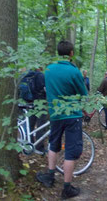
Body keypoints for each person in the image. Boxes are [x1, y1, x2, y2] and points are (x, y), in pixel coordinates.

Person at [36, 41, 88, 199]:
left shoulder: (49, 69)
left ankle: (49, 176)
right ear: (71, 53)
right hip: (72, 115)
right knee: (71, 151)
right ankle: (67, 188)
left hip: (55, 114)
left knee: (53, 144)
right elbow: (84, 95)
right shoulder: (74, 71)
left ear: (58, 53)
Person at [28, 67, 48, 153]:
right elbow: (44, 89)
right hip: (40, 102)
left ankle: (30, 143)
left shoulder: (28, 75)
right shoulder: (40, 75)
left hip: (29, 102)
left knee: (31, 124)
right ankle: (39, 146)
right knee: (41, 124)